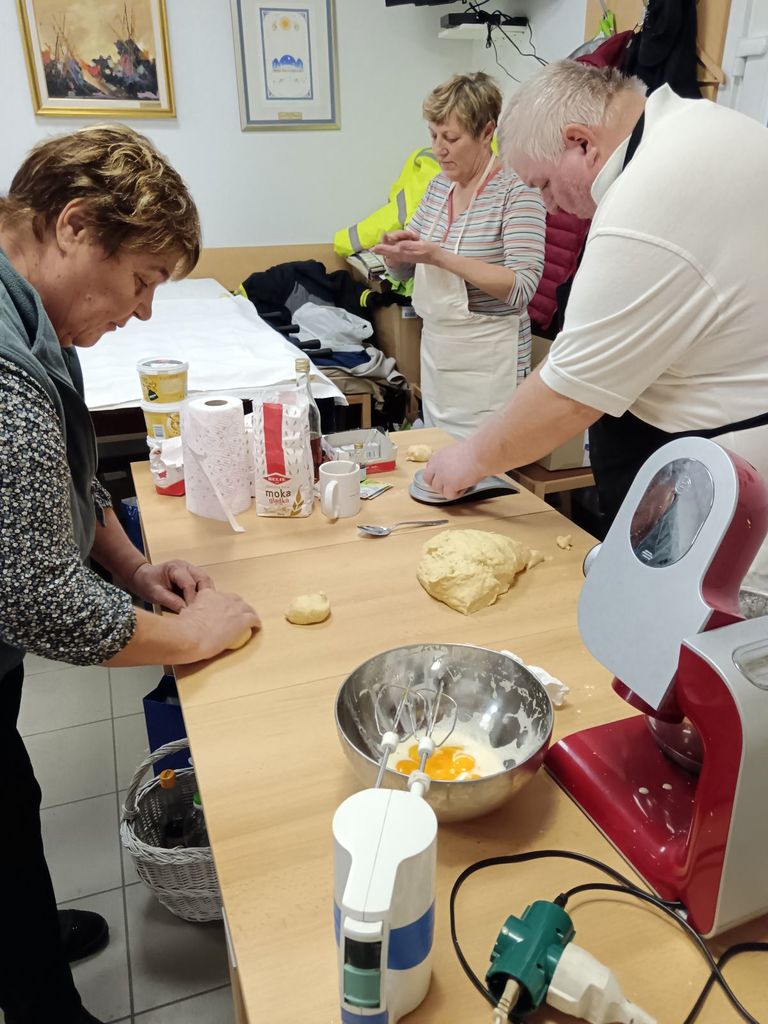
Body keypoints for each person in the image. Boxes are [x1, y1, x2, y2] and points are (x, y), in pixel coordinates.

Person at [0, 125, 260, 1024]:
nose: (144, 312)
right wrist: (191, 634)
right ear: (75, 225)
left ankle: (20, 938)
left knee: (12, 800)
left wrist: (137, 568)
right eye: (142, 279)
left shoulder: (36, 319)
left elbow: (70, 482)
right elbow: (41, 602)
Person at [423, 60, 768, 586]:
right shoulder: (705, 125)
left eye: (542, 184)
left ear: (581, 143)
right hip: (715, 429)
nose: (547, 206)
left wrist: (469, 459)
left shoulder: (647, 198)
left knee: (697, 619)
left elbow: (569, 396)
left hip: (723, 470)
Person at [373, 72, 545, 440]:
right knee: (438, 453)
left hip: (491, 363)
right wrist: (397, 255)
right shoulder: (438, 188)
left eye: (451, 138)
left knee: (485, 463)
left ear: (487, 132)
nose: (439, 149)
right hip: (439, 358)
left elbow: (522, 287)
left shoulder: (517, 191)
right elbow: (405, 273)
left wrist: (440, 257)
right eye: (433, 136)